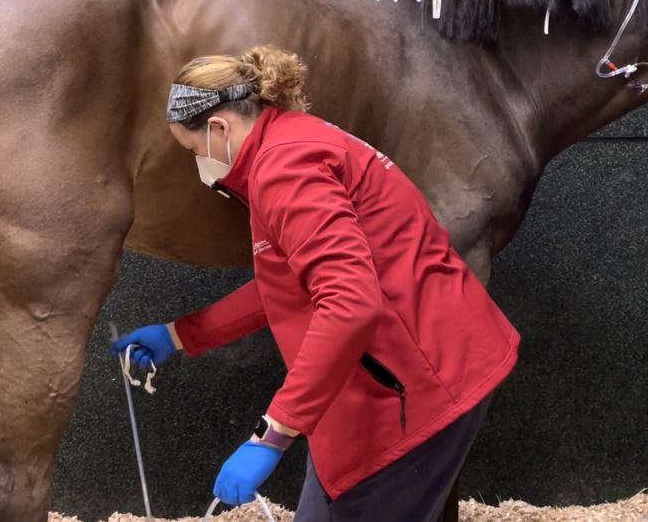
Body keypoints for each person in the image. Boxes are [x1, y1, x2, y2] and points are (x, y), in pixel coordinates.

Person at [111, 45, 519, 522]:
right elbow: (287, 284)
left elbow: (350, 304)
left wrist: (271, 435)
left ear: (219, 128)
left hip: (416, 386)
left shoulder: (284, 170)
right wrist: (180, 335)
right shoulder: (290, 143)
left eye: (192, 149)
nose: (198, 161)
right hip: (405, 370)